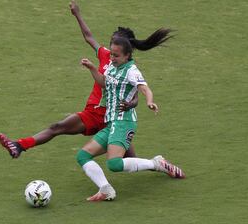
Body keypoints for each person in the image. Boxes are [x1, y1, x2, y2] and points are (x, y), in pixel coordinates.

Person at [0, 0, 174, 159]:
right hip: (99, 113)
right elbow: (89, 37)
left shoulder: (128, 69)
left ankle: (20, 145)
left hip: (105, 115)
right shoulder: (107, 55)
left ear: (124, 48)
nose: (110, 45)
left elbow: (134, 95)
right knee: (128, 161)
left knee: (60, 130)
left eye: (114, 42)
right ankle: (19, 145)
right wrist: (78, 15)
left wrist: (135, 103)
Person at [77, 37, 185, 202]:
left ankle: (157, 164)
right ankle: (106, 190)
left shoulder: (131, 71)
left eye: (116, 55)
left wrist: (150, 102)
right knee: (83, 156)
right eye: (111, 54)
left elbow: (145, 89)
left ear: (127, 55)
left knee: (114, 164)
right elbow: (104, 83)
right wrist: (92, 68)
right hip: (112, 122)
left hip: (124, 122)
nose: (112, 58)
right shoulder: (112, 68)